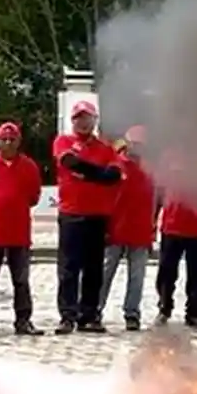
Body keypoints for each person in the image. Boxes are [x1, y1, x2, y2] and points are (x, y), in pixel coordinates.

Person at [52, 100, 121, 334]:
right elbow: (69, 162)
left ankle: (89, 315)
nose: (83, 122)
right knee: (69, 268)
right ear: (73, 121)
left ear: (94, 120)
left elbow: (114, 175)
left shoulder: (105, 148)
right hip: (71, 214)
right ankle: (67, 315)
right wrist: (97, 174)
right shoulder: (63, 142)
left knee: (94, 269)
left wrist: (86, 171)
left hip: (97, 215)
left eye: (87, 117)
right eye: (79, 118)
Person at [0, 122, 43, 336]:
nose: (8, 143)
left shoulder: (29, 166)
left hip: (18, 232)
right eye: (4, 139)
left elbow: (34, 196)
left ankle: (23, 321)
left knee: (21, 280)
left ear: (19, 141)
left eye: (12, 139)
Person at [100, 125, 156, 331]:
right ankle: (96, 309)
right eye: (135, 143)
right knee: (106, 272)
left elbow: (154, 201)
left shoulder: (150, 169)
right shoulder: (116, 164)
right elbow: (105, 197)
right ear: (128, 143)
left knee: (137, 276)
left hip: (140, 231)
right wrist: (105, 227)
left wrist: (152, 228)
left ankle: (132, 313)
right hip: (116, 228)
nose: (138, 147)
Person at [156, 162, 197, 328]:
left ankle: (194, 313)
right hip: (172, 227)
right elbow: (159, 194)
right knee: (166, 272)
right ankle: (164, 308)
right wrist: (154, 219)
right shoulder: (168, 161)